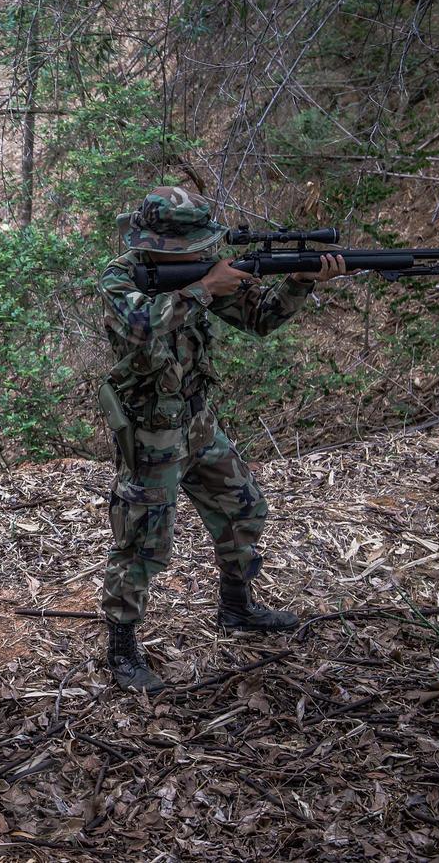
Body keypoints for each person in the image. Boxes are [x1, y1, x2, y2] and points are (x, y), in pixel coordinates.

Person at [98, 187, 349, 692]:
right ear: (157, 245)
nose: (202, 253)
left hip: (198, 422)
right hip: (151, 432)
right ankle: (121, 650)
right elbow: (141, 327)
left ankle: (237, 607)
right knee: (142, 542)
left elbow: (261, 319)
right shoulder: (121, 278)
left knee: (244, 507)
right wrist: (204, 288)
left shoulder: (204, 272)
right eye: (191, 246)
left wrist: (299, 280)